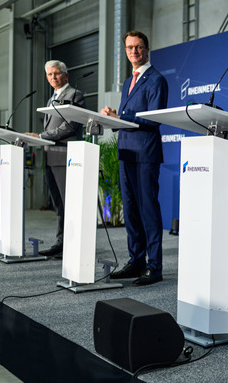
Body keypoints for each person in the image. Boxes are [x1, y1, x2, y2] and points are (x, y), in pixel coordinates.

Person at [100, 30, 168, 286]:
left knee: (148, 210)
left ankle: (154, 266)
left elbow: (152, 119)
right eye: (129, 48)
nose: (134, 52)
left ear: (147, 49)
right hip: (126, 152)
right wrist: (113, 116)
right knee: (130, 211)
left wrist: (122, 118)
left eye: (138, 47)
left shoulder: (156, 79)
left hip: (146, 154)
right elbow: (130, 116)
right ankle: (136, 260)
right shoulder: (130, 80)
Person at [25, 60, 86, 257]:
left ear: (66, 75)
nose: (53, 77)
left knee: (69, 202)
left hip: (66, 156)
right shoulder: (52, 97)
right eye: (50, 75)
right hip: (51, 156)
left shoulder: (74, 94)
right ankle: (61, 242)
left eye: (57, 74)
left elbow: (70, 126)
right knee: (58, 203)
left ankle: (72, 243)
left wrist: (41, 136)